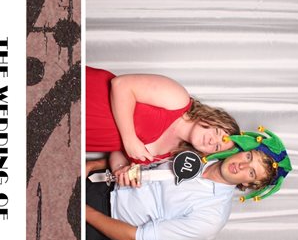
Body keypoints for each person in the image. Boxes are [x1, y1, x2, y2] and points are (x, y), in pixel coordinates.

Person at [85, 127, 292, 240]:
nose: (242, 165)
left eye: (251, 172)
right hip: (96, 177)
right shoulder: (204, 147)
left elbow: (137, 239)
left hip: (99, 218)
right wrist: (94, 165)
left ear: (248, 184)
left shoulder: (212, 218)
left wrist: (84, 210)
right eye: (248, 157)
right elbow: (143, 157)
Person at [86, 66, 240, 175]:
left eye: (217, 147)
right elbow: (121, 85)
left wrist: (120, 169)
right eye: (218, 132)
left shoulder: (171, 155)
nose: (213, 141)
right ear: (212, 119)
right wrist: (130, 139)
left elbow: (118, 150)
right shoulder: (178, 99)